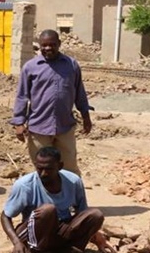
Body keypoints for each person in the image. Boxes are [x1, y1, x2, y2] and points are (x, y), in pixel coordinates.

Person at [0, 147, 114, 253]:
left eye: (48, 169)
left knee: (95, 214)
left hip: (59, 230)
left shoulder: (73, 181)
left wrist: (96, 235)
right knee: (48, 210)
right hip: (34, 234)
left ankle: (68, 250)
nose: (43, 173)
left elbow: (82, 212)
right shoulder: (25, 185)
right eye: (39, 168)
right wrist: (16, 242)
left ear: (59, 166)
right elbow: (5, 216)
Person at [10, 29, 92, 177]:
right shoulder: (30, 67)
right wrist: (19, 123)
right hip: (39, 128)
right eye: (44, 45)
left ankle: (72, 199)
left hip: (65, 126)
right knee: (43, 171)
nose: (48, 48)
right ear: (39, 45)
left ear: (59, 44)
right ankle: (45, 200)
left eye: (52, 44)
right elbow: (22, 96)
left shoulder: (71, 65)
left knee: (69, 170)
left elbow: (79, 93)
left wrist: (86, 116)